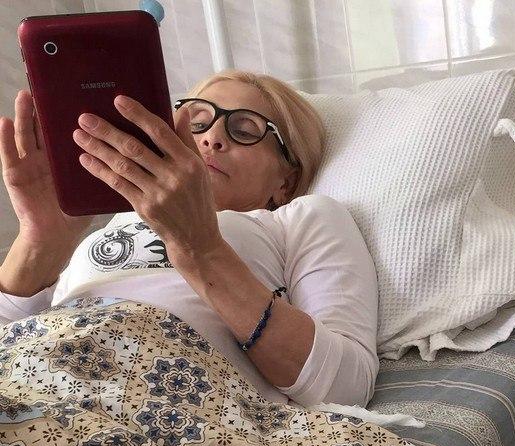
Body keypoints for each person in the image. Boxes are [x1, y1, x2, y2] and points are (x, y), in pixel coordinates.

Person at [0, 69, 379, 407]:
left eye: (245, 130)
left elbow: (346, 388)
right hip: (37, 385)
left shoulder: (299, 218)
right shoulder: (113, 224)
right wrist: (38, 243)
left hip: (164, 406)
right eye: (196, 123)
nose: (212, 138)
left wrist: (202, 249)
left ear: (286, 181)